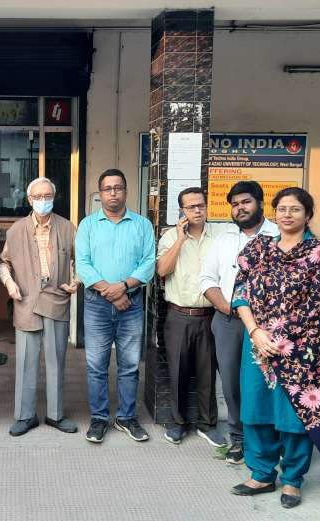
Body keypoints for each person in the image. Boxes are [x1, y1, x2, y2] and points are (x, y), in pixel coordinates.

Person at [228, 187, 320, 510]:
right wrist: (256, 332)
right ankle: (262, 474)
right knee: (257, 409)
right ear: (273, 213)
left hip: (302, 351)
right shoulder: (258, 248)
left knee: (294, 415)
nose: (287, 215)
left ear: (308, 215)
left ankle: (292, 478)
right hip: (259, 347)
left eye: (295, 209)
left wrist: (282, 338)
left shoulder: (319, 253)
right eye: (282, 209)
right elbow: (240, 293)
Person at [198, 181, 279, 464]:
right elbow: (207, 279)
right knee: (232, 382)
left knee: (269, 381)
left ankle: (272, 440)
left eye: (246, 202)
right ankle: (239, 439)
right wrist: (226, 307)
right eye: (235, 204)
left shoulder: (278, 235)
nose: (240, 208)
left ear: (260, 203)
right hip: (229, 321)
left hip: (270, 324)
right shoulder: (223, 239)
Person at [75, 169, 156, 444]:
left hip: (130, 304)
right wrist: (112, 292)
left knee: (130, 365)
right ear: (100, 193)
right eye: (107, 188)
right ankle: (99, 419)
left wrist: (123, 286)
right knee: (96, 366)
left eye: (118, 187)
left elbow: (148, 263)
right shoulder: (88, 225)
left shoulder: (142, 225)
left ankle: (126, 417)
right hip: (97, 305)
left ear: (126, 191)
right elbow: (83, 264)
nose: (113, 193)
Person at [0, 178, 80, 436]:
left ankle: (56, 415)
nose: (43, 201)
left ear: (54, 198)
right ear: (29, 199)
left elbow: (82, 259)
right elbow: (3, 262)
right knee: (26, 362)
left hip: (57, 298)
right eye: (38, 196)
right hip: (26, 300)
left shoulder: (67, 227)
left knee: (56, 360)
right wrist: (9, 283)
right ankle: (25, 416)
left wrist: (77, 280)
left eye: (47, 196)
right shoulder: (16, 230)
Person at [155, 186, 229, 447]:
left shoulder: (220, 236)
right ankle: (178, 423)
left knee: (207, 373)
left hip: (211, 314)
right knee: (178, 371)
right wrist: (180, 240)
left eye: (201, 205)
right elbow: (162, 270)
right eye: (191, 207)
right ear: (182, 211)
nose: (197, 210)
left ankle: (207, 425)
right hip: (179, 316)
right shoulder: (169, 237)